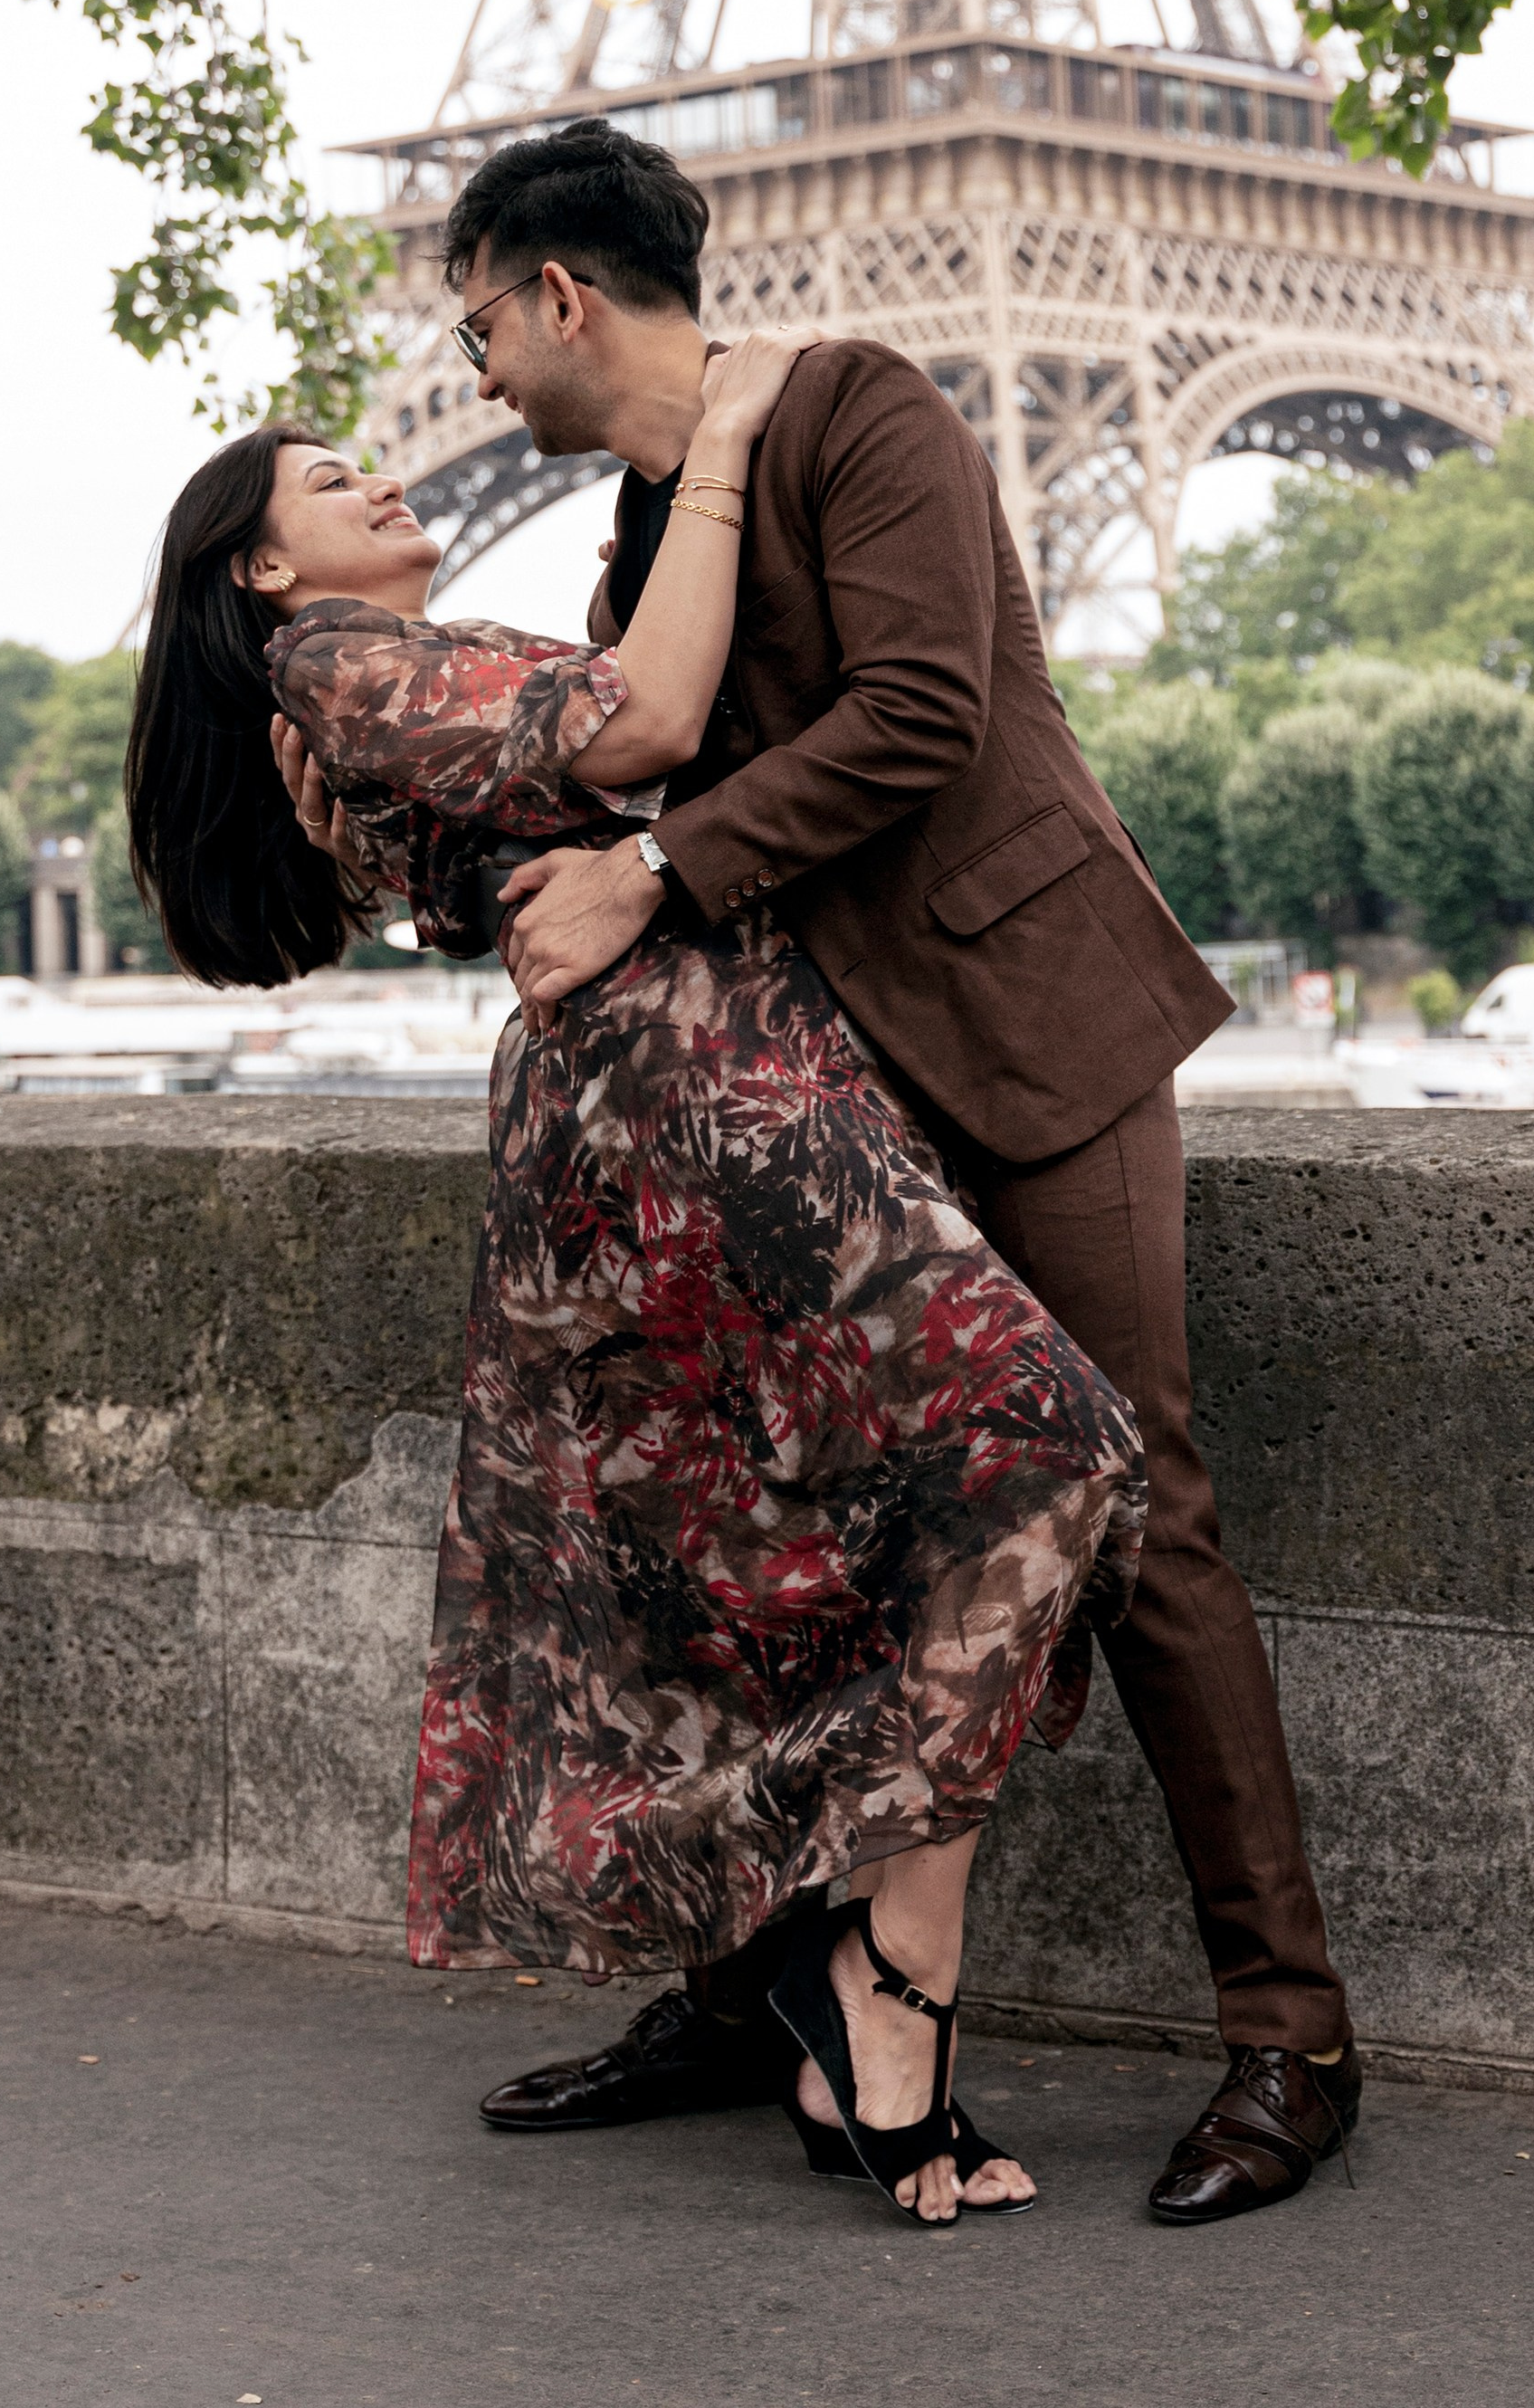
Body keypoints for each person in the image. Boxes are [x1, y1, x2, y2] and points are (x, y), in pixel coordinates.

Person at [288, 116, 1362, 2228]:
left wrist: (653, 869)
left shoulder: (862, 404)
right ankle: (759, 1981)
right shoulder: (634, 533)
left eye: (478, 317)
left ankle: (1291, 2031)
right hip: (833, 1093)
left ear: (559, 290)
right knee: (769, 1549)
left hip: (1028, 1021)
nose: (474, 366)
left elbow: (924, 713)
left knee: (1138, 1502)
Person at [127, 352, 1146, 2230]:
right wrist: (737, 443)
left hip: (668, 1106)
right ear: (261, 573)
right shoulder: (343, 668)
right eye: (325, 478)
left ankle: (816, 1959)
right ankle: (884, 1992)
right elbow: (652, 708)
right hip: (701, 1100)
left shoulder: (369, 681)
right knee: (1049, 1452)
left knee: (765, 1566)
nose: (376, 476)